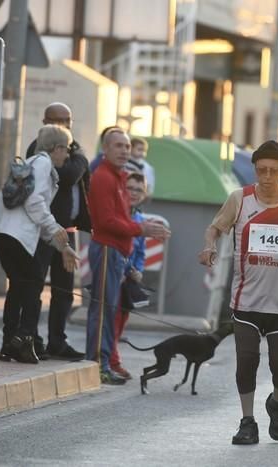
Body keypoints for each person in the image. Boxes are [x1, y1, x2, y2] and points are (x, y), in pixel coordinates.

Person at [198, 140, 278, 445]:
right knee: (246, 360)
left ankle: (276, 402)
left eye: (274, 171)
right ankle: (247, 421)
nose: (267, 177)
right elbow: (214, 228)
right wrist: (209, 246)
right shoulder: (239, 199)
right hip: (247, 299)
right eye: (261, 170)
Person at [0, 125, 78, 364]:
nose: (68, 155)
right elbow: (34, 202)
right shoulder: (43, 164)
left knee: (18, 287)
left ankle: (8, 343)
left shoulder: (33, 162)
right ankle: (23, 339)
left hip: (3, 233)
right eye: (67, 149)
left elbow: (33, 213)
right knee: (33, 284)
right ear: (57, 147)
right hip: (15, 235)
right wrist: (56, 228)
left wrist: (61, 246)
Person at [86, 128, 170, 384]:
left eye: (126, 146)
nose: (124, 150)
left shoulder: (119, 177)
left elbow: (123, 217)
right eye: (118, 146)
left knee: (112, 311)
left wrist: (139, 229)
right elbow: (107, 221)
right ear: (105, 149)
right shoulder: (103, 178)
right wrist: (141, 228)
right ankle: (97, 364)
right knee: (103, 311)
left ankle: (106, 361)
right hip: (107, 248)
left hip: (119, 252)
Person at [26, 103, 91, 361]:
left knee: (63, 291)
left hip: (68, 229)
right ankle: (32, 338)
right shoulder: (38, 147)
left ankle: (57, 340)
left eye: (67, 119)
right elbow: (69, 175)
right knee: (34, 284)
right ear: (44, 121)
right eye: (57, 120)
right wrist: (82, 160)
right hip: (46, 230)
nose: (63, 125)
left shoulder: (72, 149)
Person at [109, 172, 148, 379]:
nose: (134, 193)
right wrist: (123, 269)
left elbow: (141, 251)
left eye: (139, 190)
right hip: (114, 275)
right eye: (130, 188)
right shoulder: (118, 213)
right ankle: (112, 362)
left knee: (122, 319)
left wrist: (138, 270)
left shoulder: (140, 219)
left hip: (129, 281)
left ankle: (111, 360)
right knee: (111, 321)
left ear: (145, 194)